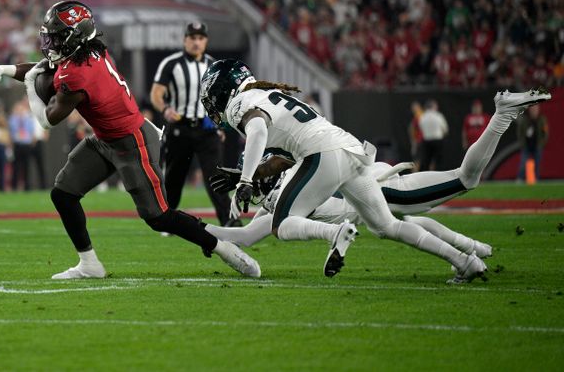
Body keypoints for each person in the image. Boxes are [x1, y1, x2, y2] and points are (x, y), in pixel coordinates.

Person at [0, 0, 260, 279]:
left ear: (75, 35)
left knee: (159, 216)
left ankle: (223, 247)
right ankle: (89, 264)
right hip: (106, 139)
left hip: (132, 141)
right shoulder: (88, 53)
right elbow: (44, 70)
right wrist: (4, 69)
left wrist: (29, 85)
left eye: (57, 36)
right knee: (63, 194)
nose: (50, 42)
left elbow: (45, 119)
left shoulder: (77, 74)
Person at [198, 59, 517, 284]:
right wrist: (203, 225)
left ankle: (335, 234)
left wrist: (244, 179)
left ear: (224, 89)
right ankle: (465, 261)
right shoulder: (267, 94)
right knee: (388, 226)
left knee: (283, 224)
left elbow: (257, 132)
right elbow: (277, 153)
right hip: (351, 150)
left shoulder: (242, 103)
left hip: (322, 155)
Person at [204, 88, 552, 259]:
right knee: (401, 222)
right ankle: (473, 253)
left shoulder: (286, 194)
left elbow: (246, 235)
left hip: (379, 185)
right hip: (362, 166)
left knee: (463, 179)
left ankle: (502, 115)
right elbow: (278, 165)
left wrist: (192, 225)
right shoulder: (292, 179)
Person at [149, 22, 235, 225]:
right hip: (180, 128)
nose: (196, 42)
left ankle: (229, 221)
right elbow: (156, 94)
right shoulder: (171, 63)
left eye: (200, 38)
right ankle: (167, 221)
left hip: (207, 130)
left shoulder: (215, 65)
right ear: (185, 40)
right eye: (192, 38)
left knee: (216, 177)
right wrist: (165, 109)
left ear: (206, 41)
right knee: (174, 179)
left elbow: (221, 99)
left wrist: (220, 124)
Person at [9, 99, 47, 190]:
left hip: (28, 144)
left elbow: (31, 130)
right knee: (16, 166)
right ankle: (14, 186)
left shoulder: (30, 117)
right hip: (17, 144)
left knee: (28, 166)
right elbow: (12, 130)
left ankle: (30, 186)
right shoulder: (13, 119)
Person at [516, 104, 549, 182]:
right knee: (523, 163)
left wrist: (542, 144)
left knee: (537, 164)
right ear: (529, 110)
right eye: (532, 109)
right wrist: (522, 143)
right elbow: (520, 132)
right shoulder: (525, 119)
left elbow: (545, 133)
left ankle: (535, 179)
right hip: (526, 145)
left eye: (535, 109)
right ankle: (520, 179)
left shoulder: (542, 119)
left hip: (537, 145)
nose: (534, 111)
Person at [418, 100, 448, 171]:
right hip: (437, 140)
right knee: (438, 161)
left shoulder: (422, 117)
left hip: (426, 141)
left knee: (426, 161)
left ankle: (425, 178)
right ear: (433, 106)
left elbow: (421, 128)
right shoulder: (438, 116)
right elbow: (445, 130)